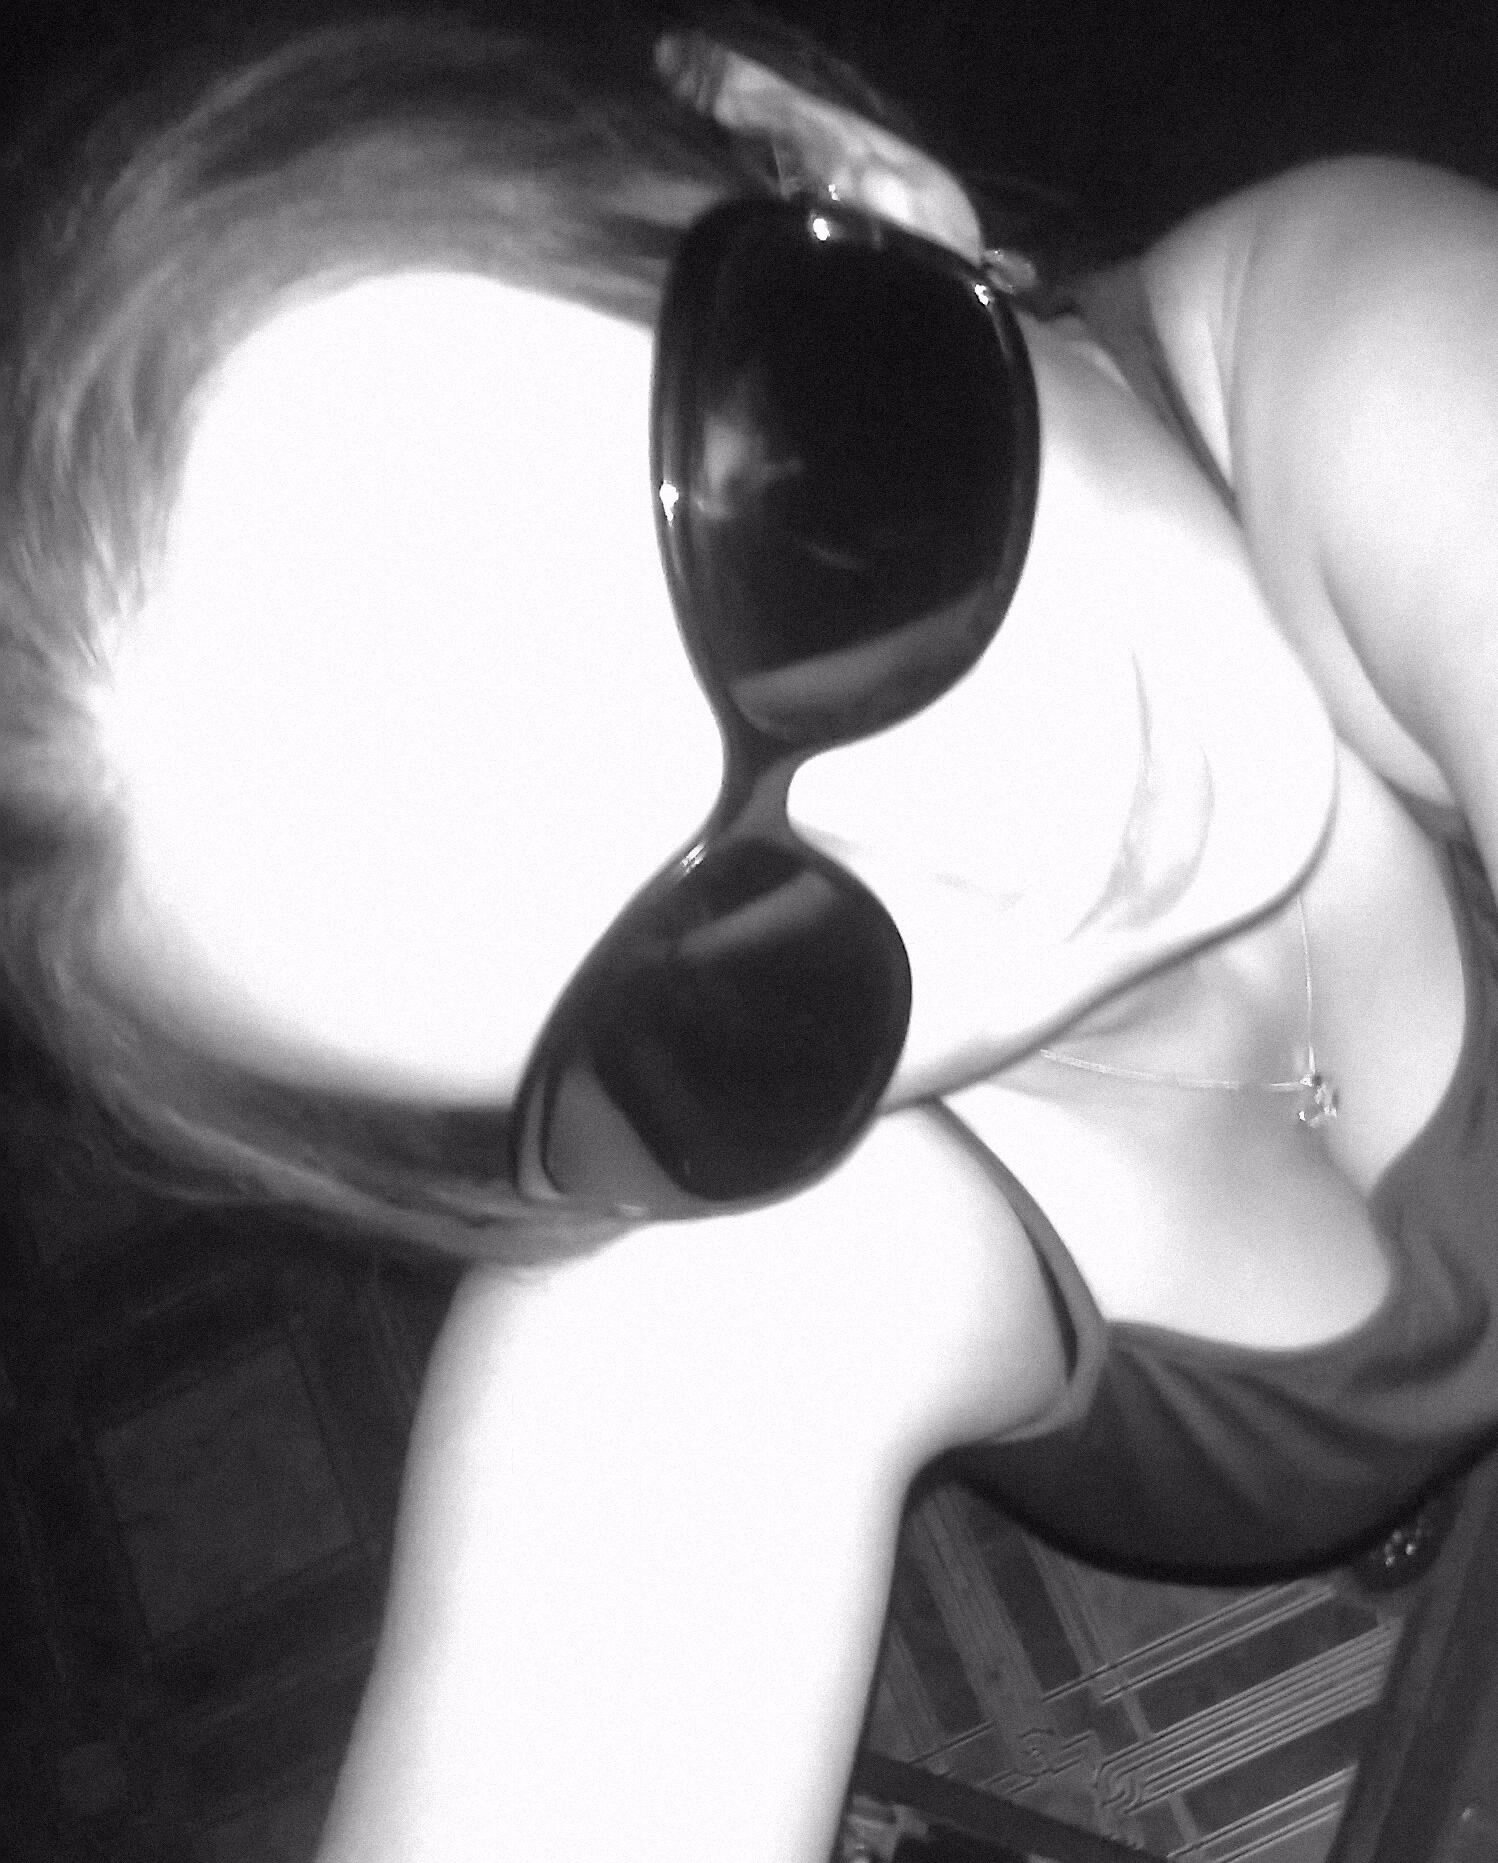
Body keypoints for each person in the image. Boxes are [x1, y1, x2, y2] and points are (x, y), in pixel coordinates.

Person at [3, 12, 1498, 1860]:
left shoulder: (1377, 355)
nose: (984, 837)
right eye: (694, 985)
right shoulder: (783, 1240)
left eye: (814, 555)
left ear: (849, 184)